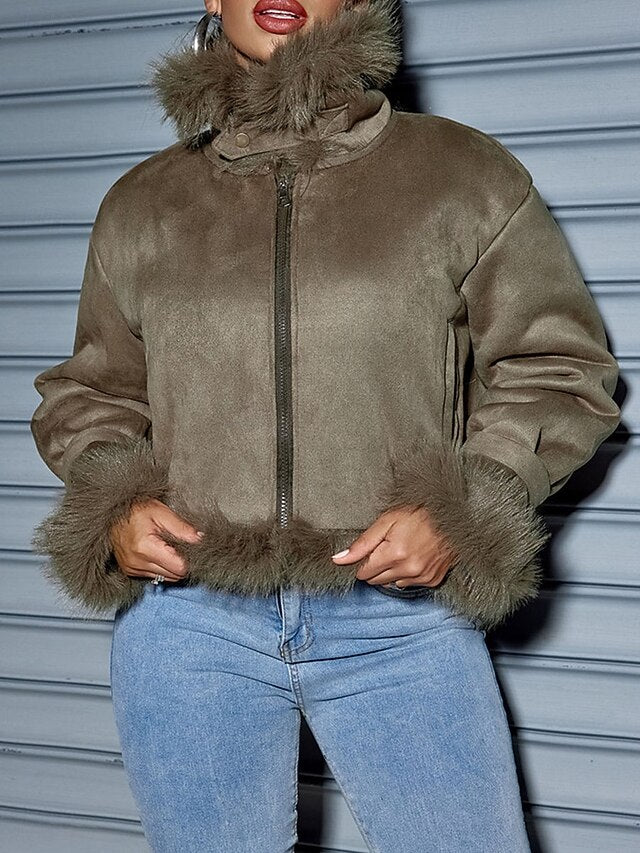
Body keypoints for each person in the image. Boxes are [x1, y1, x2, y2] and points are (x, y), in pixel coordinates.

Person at [29, 0, 620, 850]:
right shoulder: (143, 205)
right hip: (189, 622)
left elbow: (558, 368)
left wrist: (469, 500)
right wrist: (114, 499)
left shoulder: (461, 176)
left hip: (398, 617)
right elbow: (91, 391)